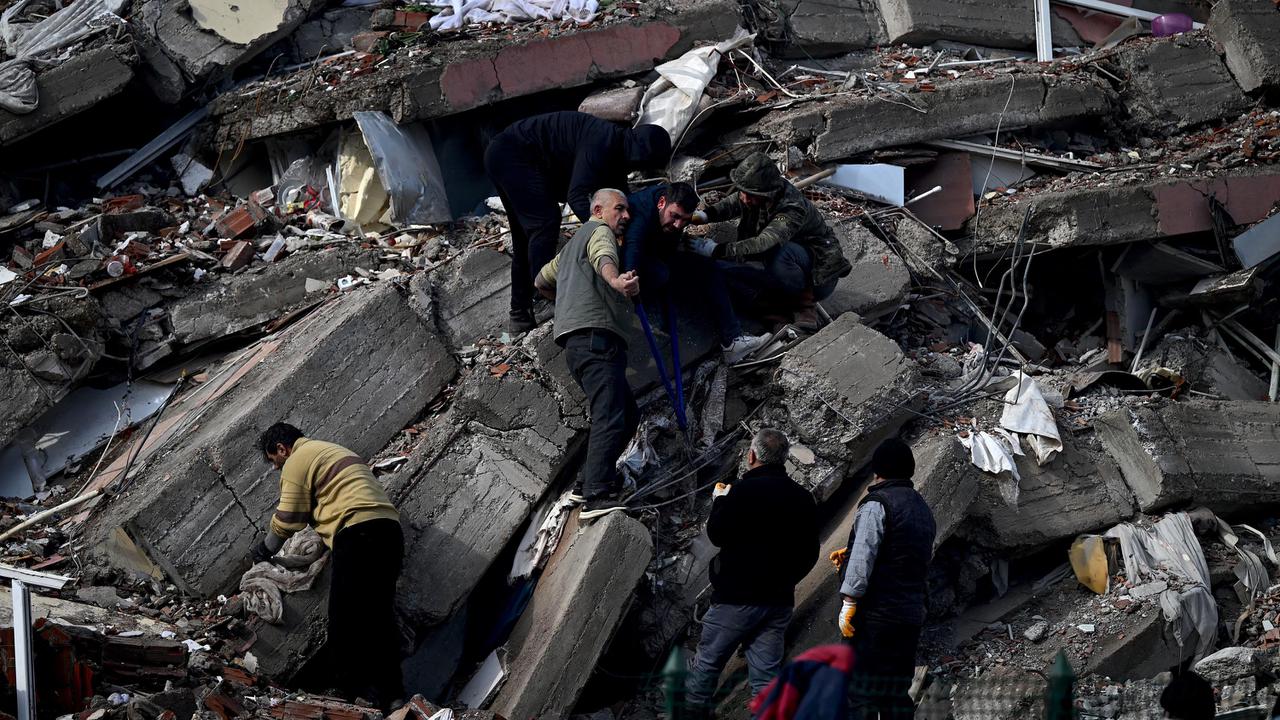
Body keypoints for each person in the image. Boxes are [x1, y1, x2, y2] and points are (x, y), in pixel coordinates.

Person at [251, 423, 404, 710]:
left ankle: (348, 697)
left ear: (282, 449)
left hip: (358, 534)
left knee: (344, 619)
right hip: (389, 531)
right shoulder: (332, 450)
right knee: (378, 617)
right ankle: (393, 695)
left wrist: (265, 549)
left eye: (275, 461)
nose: (277, 469)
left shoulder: (298, 459)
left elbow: (289, 517)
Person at [484, 111, 671, 334]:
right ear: (641, 154)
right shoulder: (603, 144)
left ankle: (519, 315)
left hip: (509, 156)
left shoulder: (618, 155)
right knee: (544, 223)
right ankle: (545, 296)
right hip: (512, 154)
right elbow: (578, 195)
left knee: (525, 238)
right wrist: (605, 233)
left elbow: (622, 200)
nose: (638, 170)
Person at [685, 428, 821, 713]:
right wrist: (786, 580)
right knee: (766, 678)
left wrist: (720, 500)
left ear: (752, 456)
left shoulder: (742, 493)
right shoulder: (802, 498)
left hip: (735, 598)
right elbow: (810, 553)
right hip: (777, 601)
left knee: (708, 661)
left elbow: (717, 534)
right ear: (783, 459)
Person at [534, 188, 639, 519]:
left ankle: (584, 484)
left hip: (576, 345)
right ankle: (596, 495)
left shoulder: (569, 248)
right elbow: (603, 257)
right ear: (597, 209)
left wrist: (569, 304)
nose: (625, 216)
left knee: (626, 413)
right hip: (596, 339)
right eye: (619, 209)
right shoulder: (599, 231)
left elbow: (540, 280)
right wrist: (617, 282)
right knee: (609, 413)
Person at [688, 152, 851, 329]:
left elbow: (765, 243)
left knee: (780, 253)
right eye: (743, 192)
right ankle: (776, 313)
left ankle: (804, 307)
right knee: (730, 272)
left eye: (750, 195)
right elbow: (732, 203)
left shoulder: (791, 208)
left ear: (768, 193)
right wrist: (703, 216)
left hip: (819, 276)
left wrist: (716, 250)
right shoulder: (754, 195)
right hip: (789, 270)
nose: (744, 198)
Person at [834, 438, 936, 720]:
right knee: (895, 694)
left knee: (861, 693)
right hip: (909, 617)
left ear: (878, 471)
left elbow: (863, 557)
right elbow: (913, 559)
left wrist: (849, 602)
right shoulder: (922, 510)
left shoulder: (877, 503)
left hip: (875, 618)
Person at [621, 181, 769, 364]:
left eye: (685, 220)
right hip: (630, 259)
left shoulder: (672, 216)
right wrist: (629, 279)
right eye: (674, 216)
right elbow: (632, 249)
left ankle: (733, 342)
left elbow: (672, 241)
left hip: (658, 252)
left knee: (710, 267)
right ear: (661, 203)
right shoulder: (641, 212)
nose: (677, 224)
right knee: (662, 274)